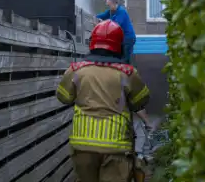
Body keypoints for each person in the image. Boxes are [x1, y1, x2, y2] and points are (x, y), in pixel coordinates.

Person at [56, 20, 150, 182]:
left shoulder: (76, 70)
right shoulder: (128, 73)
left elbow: (63, 97)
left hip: (82, 145)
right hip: (116, 146)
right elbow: (141, 101)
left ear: (92, 43)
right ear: (119, 46)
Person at [96, 0, 136, 64]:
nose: (108, 7)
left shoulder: (121, 11)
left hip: (128, 38)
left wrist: (102, 22)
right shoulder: (111, 11)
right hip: (122, 39)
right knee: (121, 58)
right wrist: (95, 18)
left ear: (114, 4)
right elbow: (101, 16)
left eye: (109, 5)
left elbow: (115, 25)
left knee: (125, 59)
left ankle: (128, 72)